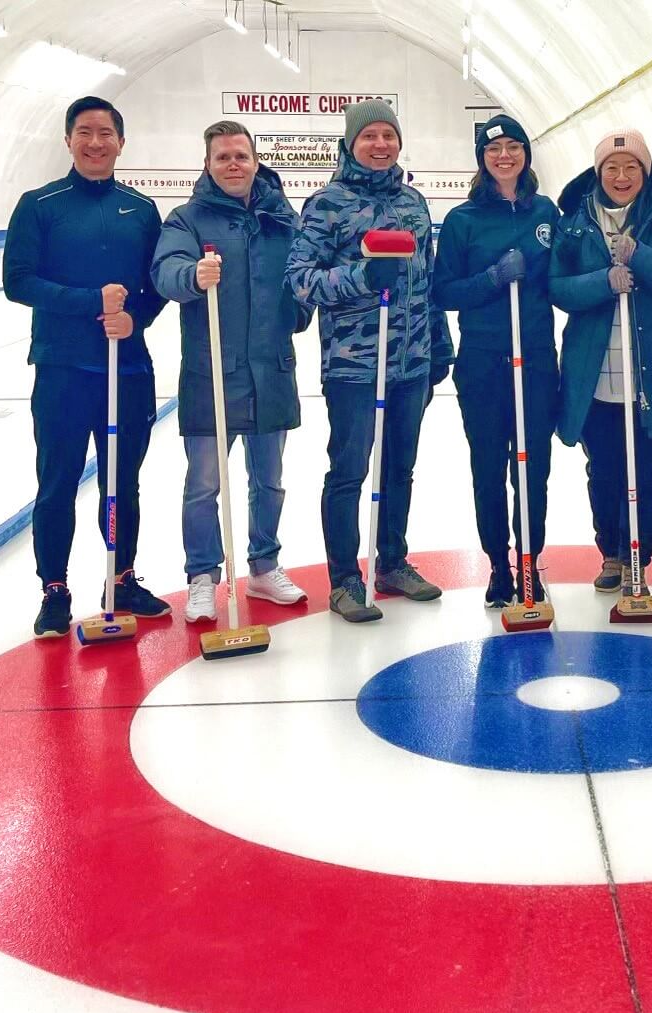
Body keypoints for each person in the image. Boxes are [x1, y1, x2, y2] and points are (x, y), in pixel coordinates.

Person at [3, 96, 170, 639]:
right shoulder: (39, 204)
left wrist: (135, 318)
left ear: (122, 142)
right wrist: (90, 302)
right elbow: (18, 281)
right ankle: (55, 589)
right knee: (57, 482)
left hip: (128, 371)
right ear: (68, 140)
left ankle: (119, 578)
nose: (95, 142)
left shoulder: (141, 209)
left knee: (124, 483)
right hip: (63, 370)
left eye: (105, 133)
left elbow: (156, 285)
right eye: (84, 132)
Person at [286, 99, 454, 623]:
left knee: (399, 467)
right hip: (355, 366)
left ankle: (392, 562)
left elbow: (427, 279)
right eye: (370, 137)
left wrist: (440, 344)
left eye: (389, 135)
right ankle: (343, 581)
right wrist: (360, 277)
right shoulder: (326, 204)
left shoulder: (414, 203)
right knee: (350, 470)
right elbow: (300, 279)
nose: (380, 145)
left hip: (411, 362)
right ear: (351, 142)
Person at [151, 120, 313, 623]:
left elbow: (300, 277)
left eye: (241, 156)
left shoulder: (280, 218)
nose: (234, 165)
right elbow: (164, 272)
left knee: (269, 481)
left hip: (271, 373)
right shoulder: (187, 219)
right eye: (223, 157)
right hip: (212, 375)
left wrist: (298, 311)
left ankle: (264, 566)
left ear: (256, 160)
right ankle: (203, 576)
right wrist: (192, 276)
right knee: (204, 484)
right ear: (208, 164)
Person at [550, 129, 652, 594]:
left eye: (631, 167)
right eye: (612, 168)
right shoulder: (575, 225)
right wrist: (603, 280)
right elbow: (558, 288)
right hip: (596, 378)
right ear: (598, 174)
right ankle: (612, 553)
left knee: (646, 471)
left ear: (646, 171)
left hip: (649, 378)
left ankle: (640, 551)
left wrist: (642, 257)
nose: (622, 176)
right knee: (604, 470)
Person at [433, 115, 560, 607]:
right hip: (484, 362)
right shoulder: (464, 220)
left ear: (526, 153)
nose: (504, 155)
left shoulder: (545, 211)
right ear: (481, 159)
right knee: (488, 466)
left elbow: (562, 277)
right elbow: (444, 291)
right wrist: (491, 278)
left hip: (536, 360)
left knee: (534, 467)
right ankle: (498, 566)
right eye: (493, 149)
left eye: (513, 146)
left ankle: (530, 561)